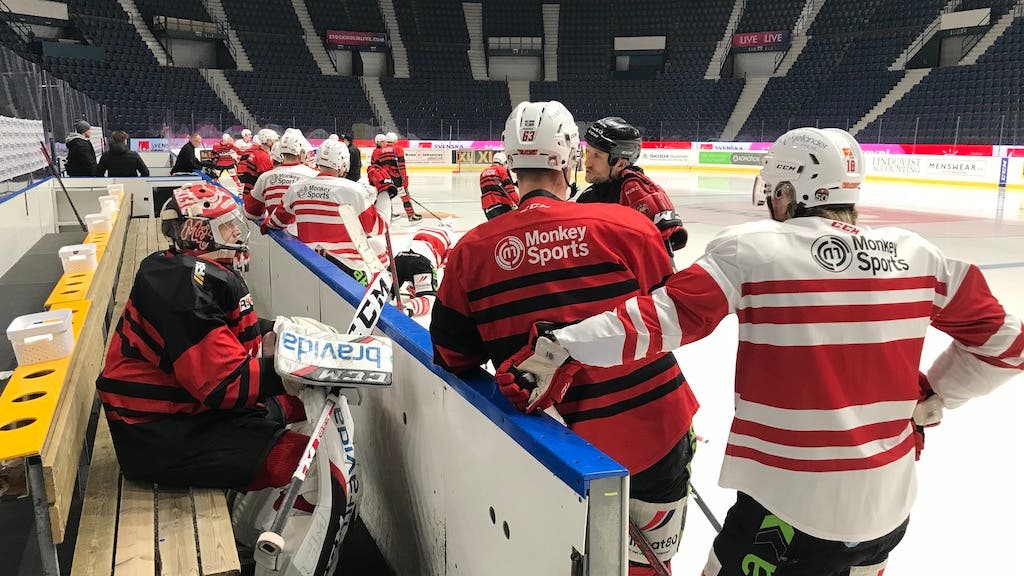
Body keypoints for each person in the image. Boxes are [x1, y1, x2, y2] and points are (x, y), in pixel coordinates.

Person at [498, 127, 1024, 576]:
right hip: (888, 513)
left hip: (789, 512)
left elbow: (658, 320)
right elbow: (1008, 344)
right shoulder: (920, 257)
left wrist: (560, 348)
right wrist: (935, 395)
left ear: (789, 191)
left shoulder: (755, 250)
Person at [430, 101, 698, 576]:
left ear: (510, 163)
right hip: (656, 430)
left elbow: (453, 356)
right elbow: (667, 322)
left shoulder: (472, 251)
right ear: (570, 158)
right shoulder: (629, 227)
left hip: (552, 450)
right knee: (647, 567)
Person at [95, 183, 308, 491]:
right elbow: (224, 384)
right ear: (199, 233)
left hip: (180, 412)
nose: (237, 234)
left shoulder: (185, 272)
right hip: (158, 435)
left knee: (297, 405)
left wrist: (281, 330)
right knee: (307, 466)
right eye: (227, 226)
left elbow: (226, 332)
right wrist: (298, 371)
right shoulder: (184, 290)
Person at [266, 140, 390, 285]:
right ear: (343, 164)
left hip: (309, 265)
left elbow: (274, 222)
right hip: (349, 271)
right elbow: (378, 228)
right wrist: (386, 192)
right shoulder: (353, 190)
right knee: (378, 246)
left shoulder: (296, 188)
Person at [579, 117, 688, 257]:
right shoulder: (588, 197)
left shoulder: (640, 197)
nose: (587, 163)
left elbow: (665, 266)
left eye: (597, 156)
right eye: (587, 152)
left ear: (620, 164)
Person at [245, 130, 317, 228]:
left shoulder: (266, 177)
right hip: (305, 231)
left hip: (277, 231)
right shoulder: (314, 176)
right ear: (301, 153)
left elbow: (251, 212)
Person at [395, 223, 454, 317]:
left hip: (400, 257)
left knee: (386, 292)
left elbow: (410, 261)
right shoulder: (451, 238)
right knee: (430, 299)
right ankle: (408, 309)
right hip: (422, 261)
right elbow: (449, 266)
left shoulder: (423, 229)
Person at [372, 132, 421, 222]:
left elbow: (376, 166)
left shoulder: (380, 151)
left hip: (386, 178)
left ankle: (389, 215)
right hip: (397, 178)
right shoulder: (398, 149)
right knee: (405, 197)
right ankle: (411, 215)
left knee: (388, 197)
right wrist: (404, 178)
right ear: (395, 140)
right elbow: (401, 165)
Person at [237, 128, 278, 200]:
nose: (276, 143)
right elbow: (267, 179)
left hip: (249, 192)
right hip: (256, 196)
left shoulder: (256, 152)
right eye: (274, 140)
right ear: (268, 141)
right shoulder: (263, 156)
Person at [478, 151, 519, 220]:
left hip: (487, 207)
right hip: (501, 205)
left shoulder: (483, 173)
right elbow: (510, 190)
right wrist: (519, 203)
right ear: (503, 162)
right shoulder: (501, 170)